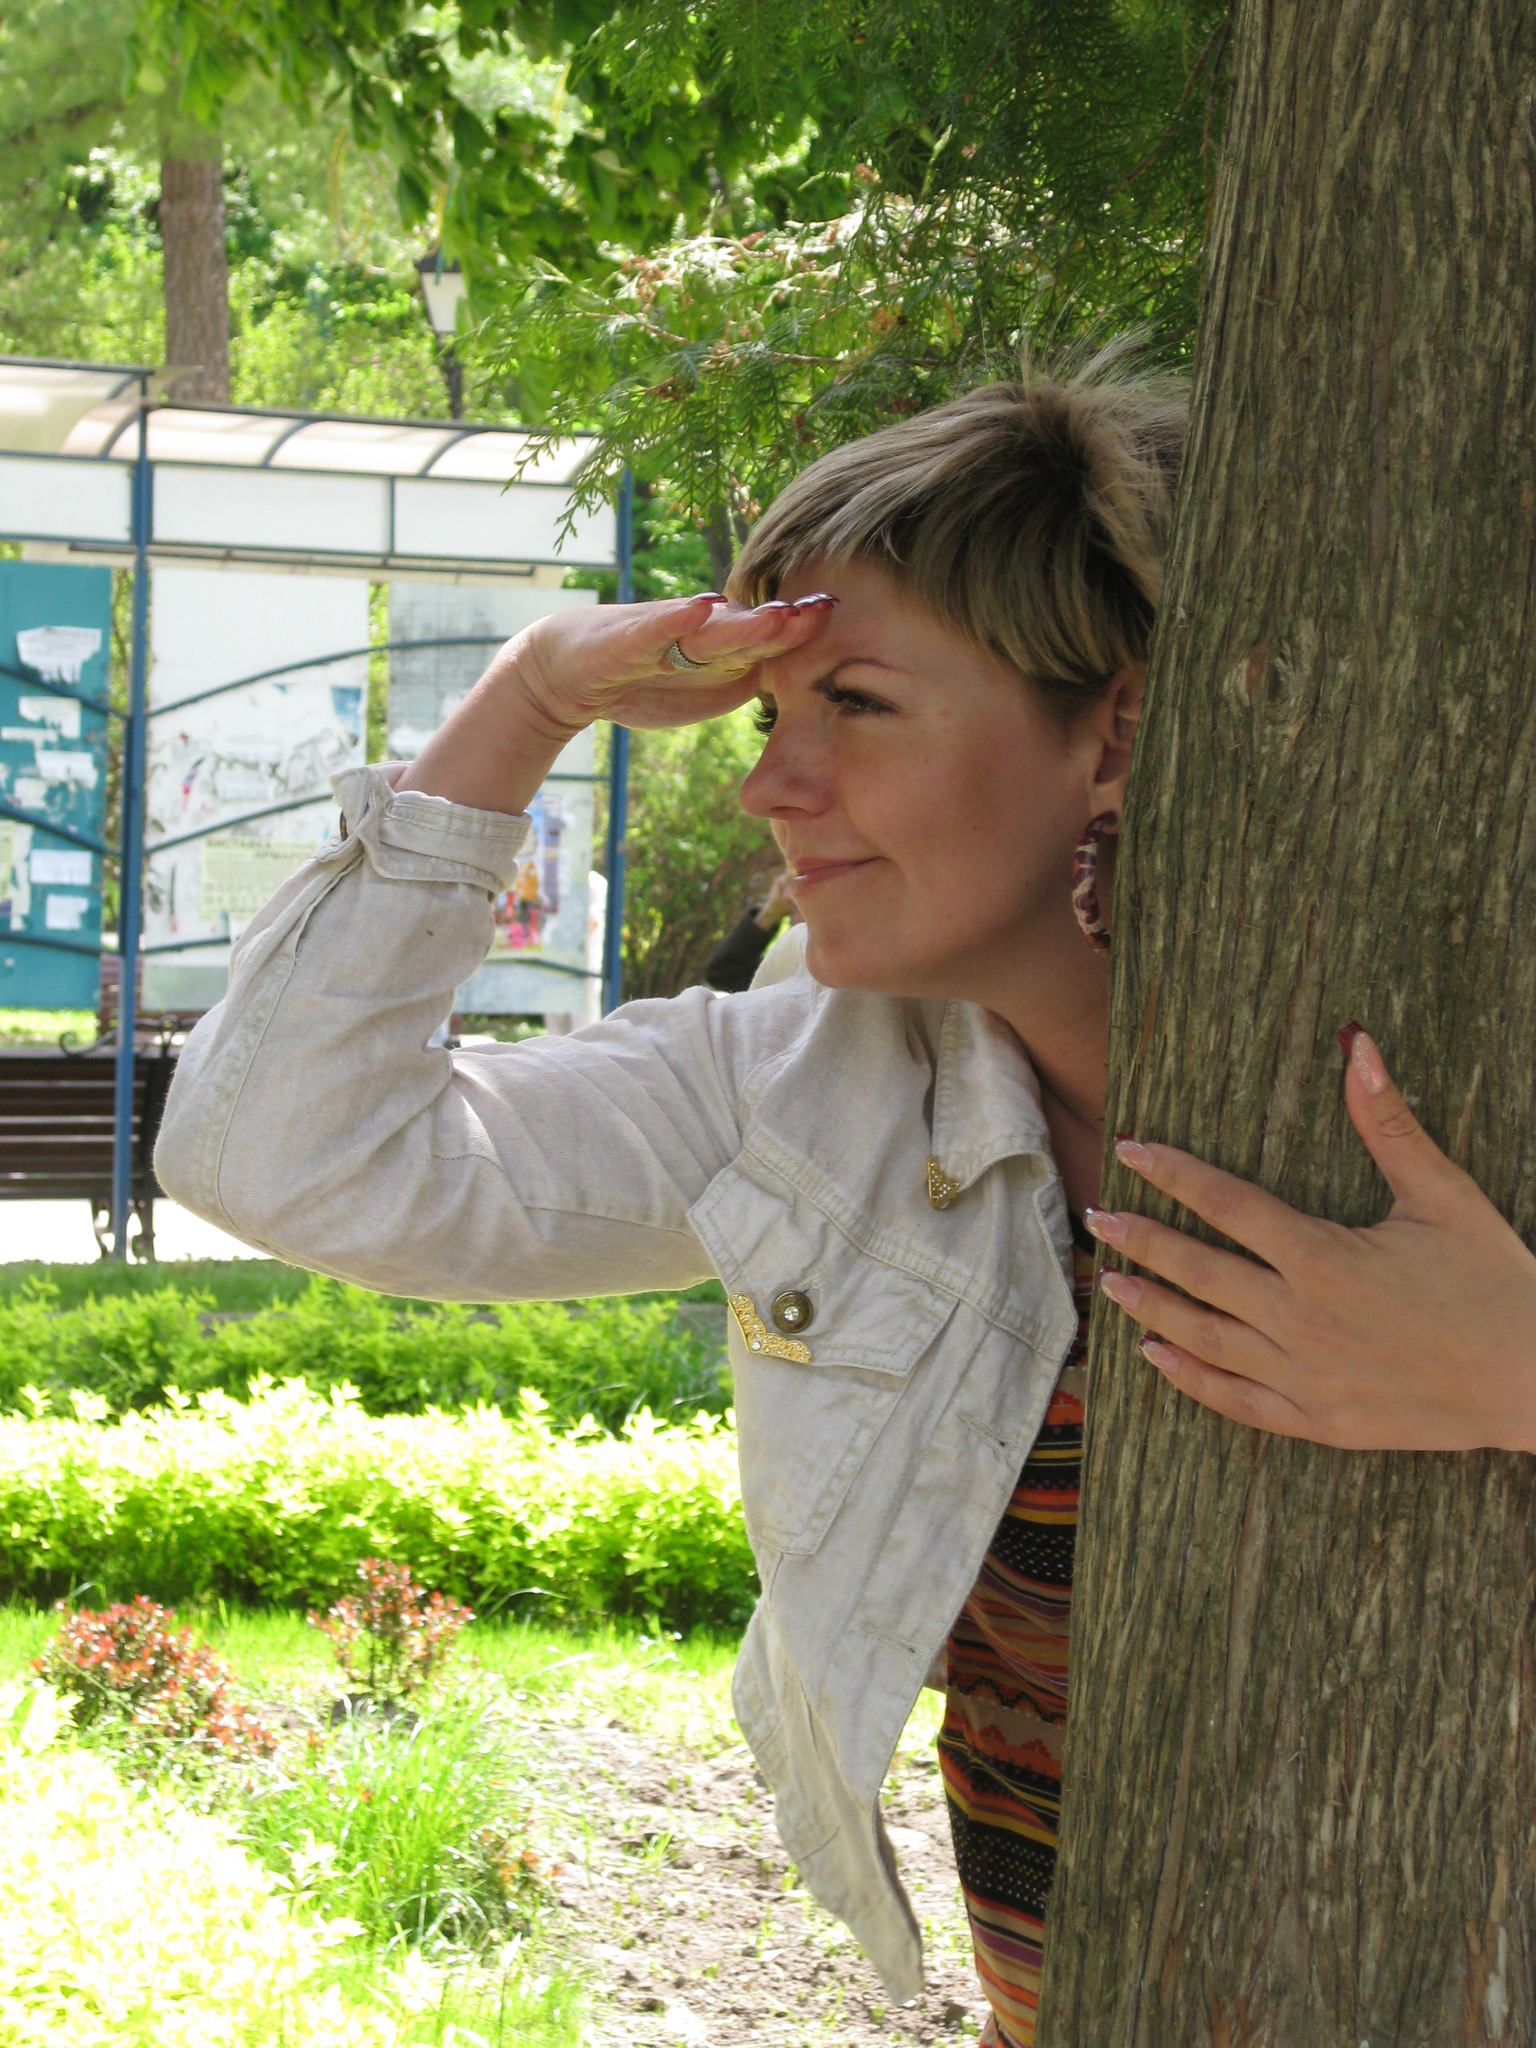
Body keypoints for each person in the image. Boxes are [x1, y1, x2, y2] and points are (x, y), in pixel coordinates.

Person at [154, 361, 1536, 2048]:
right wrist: (529, 698)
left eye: (858, 706)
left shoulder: (1469, 1067)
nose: (771, 785)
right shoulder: (802, 1085)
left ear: (1113, 731)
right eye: (767, 718)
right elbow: (278, 1148)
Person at [702, 865, 797, 992]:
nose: (786, 897)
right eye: (786, 886)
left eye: (798, 883)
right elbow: (722, 973)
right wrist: (771, 913)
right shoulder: (794, 968)